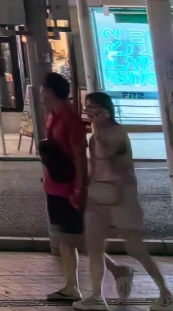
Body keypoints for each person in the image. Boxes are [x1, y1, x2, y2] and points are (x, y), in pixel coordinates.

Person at [41, 72, 134, 304]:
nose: (40, 93)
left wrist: (79, 188)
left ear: (51, 92)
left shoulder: (71, 119)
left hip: (69, 187)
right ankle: (72, 286)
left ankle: (112, 275)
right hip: (54, 185)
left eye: (43, 89)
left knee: (78, 239)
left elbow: (79, 156)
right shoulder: (52, 116)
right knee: (64, 238)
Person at [78, 91, 173, 310]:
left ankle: (166, 293)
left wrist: (99, 133)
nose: (90, 111)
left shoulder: (118, 133)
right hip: (98, 197)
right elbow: (95, 170)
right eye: (87, 107)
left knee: (136, 250)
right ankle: (96, 296)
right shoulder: (93, 138)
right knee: (93, 246)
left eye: (95, 108)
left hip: (122, 200)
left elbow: (118, 165)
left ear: (107, 110)